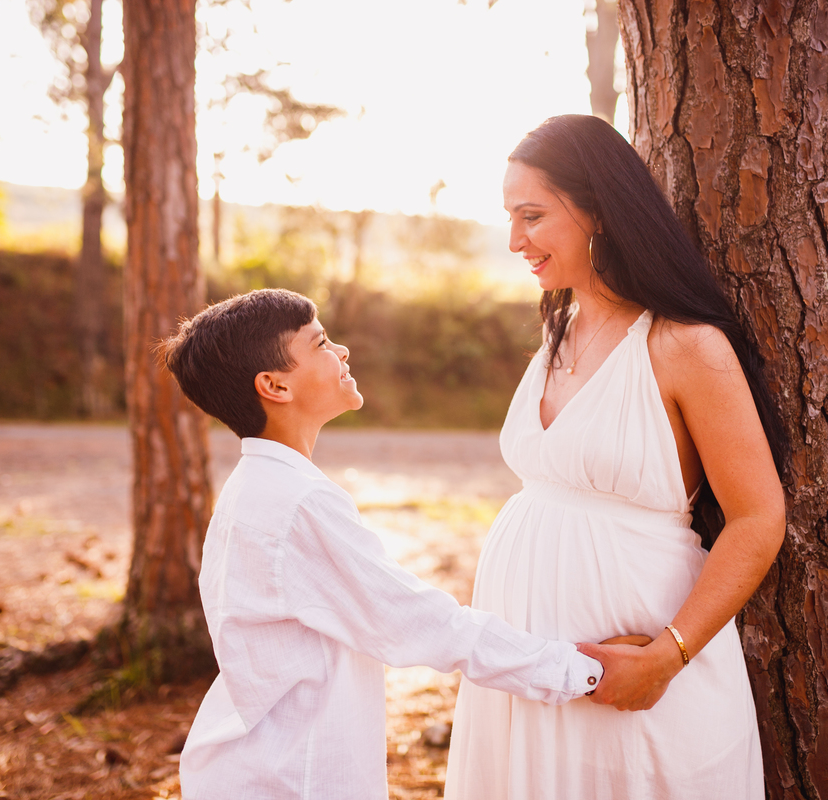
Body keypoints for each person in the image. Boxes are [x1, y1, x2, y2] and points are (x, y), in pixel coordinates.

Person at [444, 115, 788, 799]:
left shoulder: (685, 345)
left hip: (642, 676)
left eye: (532, 216)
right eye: (510, 218)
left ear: (598, 210)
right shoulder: (561, 329)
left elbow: (758, 517)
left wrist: (667, 656)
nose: (514, 241)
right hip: (530, 674)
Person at [161, 288, 609, 800]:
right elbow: (421, 621)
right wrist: (579, 671)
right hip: (289, 779)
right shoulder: (299, 504)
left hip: (256, 768)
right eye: (321, 343)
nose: (342, 351)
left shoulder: (254, 488)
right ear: (275, 385)